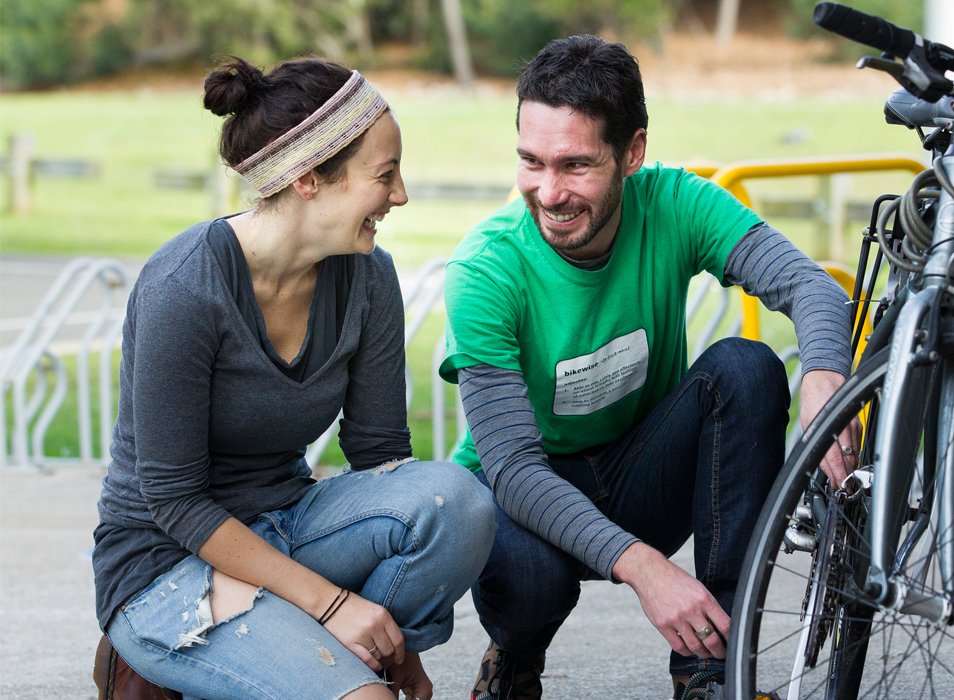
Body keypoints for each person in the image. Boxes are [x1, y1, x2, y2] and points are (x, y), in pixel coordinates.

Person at [439, 35, 858, 700]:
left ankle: (710, 667)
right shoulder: (484, 270)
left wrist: (824, 377)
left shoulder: (675, 203)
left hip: (639, 472)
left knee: (746, 367)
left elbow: (811, 287)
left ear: (632, 152)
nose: (549, 192)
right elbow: (513, 471)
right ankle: (513, 658)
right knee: (534, 581)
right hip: (526, 493)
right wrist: (645, 569)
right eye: (532, 163)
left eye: (576, 166)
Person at [91, 56, 496, 700]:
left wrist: (399, 654)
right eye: (384, 175)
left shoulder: (367, 276)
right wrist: (334, 607)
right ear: (310, 179)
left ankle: (314, 661)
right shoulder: (185, 287)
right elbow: (173, 499)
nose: (400, 195)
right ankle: (154, 659)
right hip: (168, 567)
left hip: (286, 525)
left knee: (457, 501)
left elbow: (382, 457)